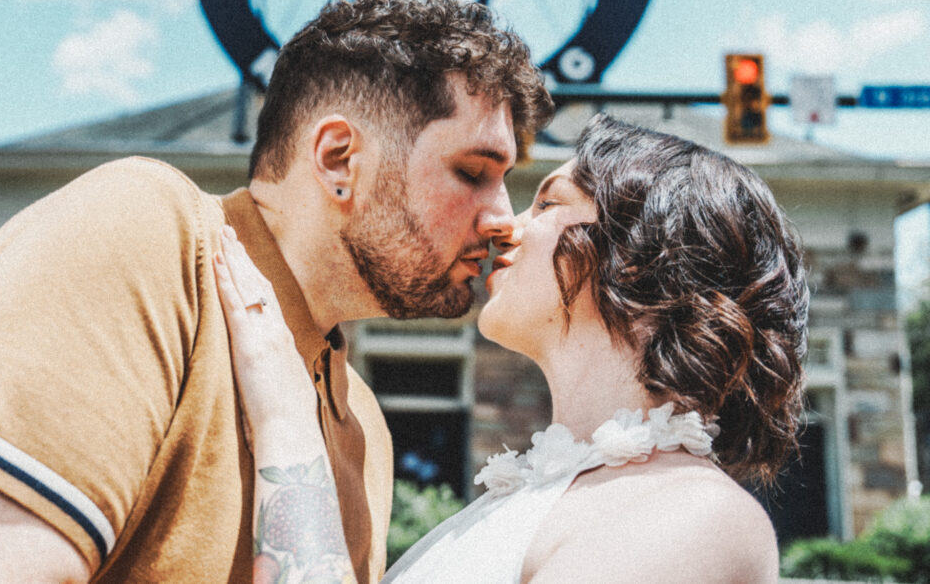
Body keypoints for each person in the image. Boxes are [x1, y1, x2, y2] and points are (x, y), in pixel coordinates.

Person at [0, 0, 554, 582]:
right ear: (338, 160)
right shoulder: (141, 231)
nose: (503, 219)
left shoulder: (365, 425)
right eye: (473, 172)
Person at [214, 113, 809, 583]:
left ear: (647, 259)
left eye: (548, 203)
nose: (502, 225)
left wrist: (285, 420)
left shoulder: (694, 515)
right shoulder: (529, 497)